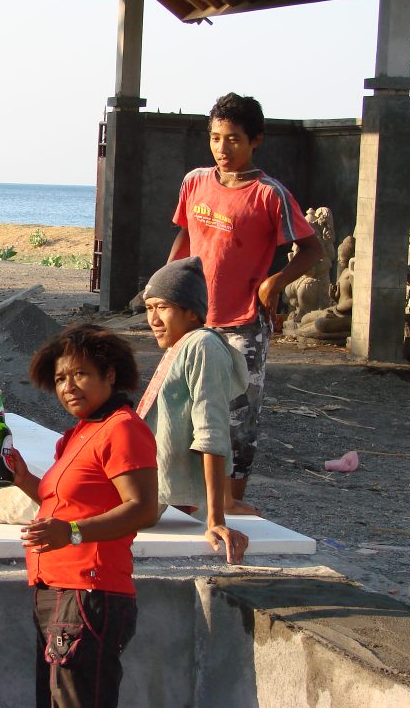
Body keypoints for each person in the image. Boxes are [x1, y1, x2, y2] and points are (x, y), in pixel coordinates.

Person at [166, 92, 322, 511]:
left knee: (237, 418)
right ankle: (187, 500)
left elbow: (312, 250)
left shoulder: (271, 195)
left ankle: (231, 502)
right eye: (215, 137)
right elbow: (185, 236)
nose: (222, 148)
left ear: (256, 140)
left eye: (233, 139)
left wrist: (277, 281)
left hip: (243, 325)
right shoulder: (194, 182)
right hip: (195, 319)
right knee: (184, 408)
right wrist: (166, 289)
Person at [6, 324, 159, 708]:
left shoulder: (122, 429)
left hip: (88, 592)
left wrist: (72, 533)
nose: (68, 386)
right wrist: (25, 481)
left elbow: (142, 507)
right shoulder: (80, 433)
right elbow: (67, 502)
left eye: (80, 374)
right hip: (55, 590)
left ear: (109, 375)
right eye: (60, 378)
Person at [138, 257, 249, 564]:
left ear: (192, 312)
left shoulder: (203, 346)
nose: (154, 319)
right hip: (136, 481)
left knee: (17, 507)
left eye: (163, 307)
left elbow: (211, 432)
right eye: (149, 308)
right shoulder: (184, 343)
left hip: (142, 493)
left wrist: (215, 519)